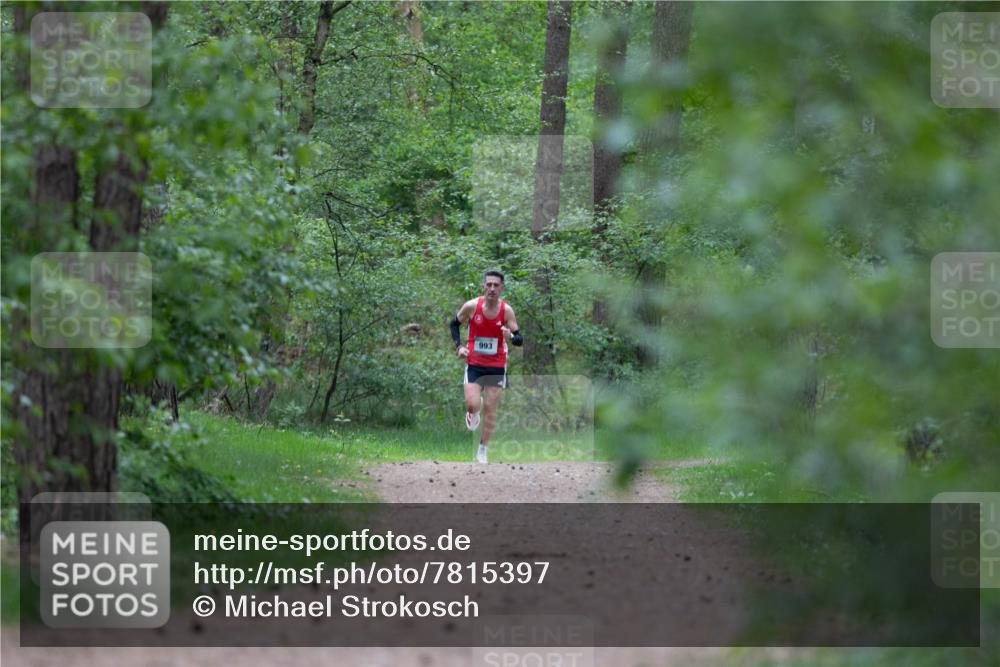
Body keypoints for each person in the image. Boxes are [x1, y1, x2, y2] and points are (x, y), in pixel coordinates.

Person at [449, 270, 522, 463]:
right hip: (474, 363)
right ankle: (473, 412)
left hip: (497, 365)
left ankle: (482, 450)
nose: (491, 288)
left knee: (491, 407)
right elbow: (453, 324)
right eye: (488, 284)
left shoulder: (507, 311)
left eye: (495, 285)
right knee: (473, 404)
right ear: (483, 286)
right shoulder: (472, 306)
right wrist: (459, 347)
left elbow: (519, 339)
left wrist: (511, 337)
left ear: (501, 288)